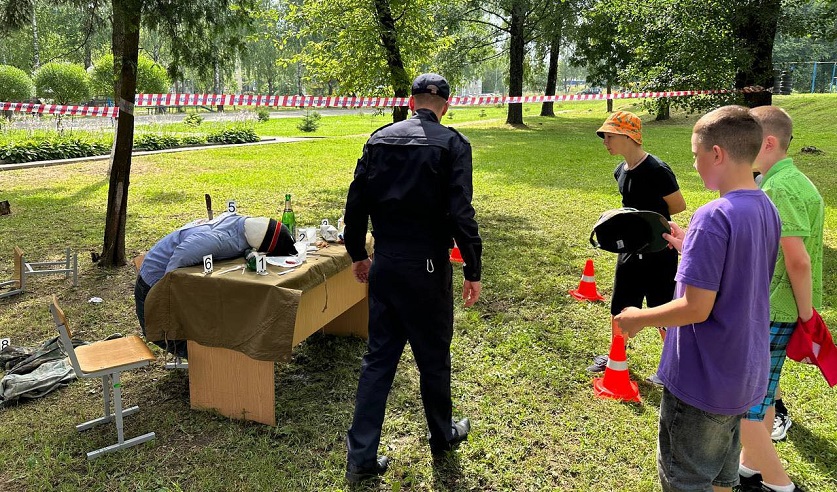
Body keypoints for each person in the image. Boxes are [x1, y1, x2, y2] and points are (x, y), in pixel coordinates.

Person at [614, 105, 781, 491]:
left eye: (695, 155)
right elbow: (740, 267)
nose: (694, 164)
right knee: (722, 476)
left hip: (702, 379)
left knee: (685, 481)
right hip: (742, 373)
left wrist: (638, 317)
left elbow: (696, 307)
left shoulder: (713, 216)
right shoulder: (766, 207)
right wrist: (692, 246)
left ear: (717, 153)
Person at [342, 73, 483, 484]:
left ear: (410, 101)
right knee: (433, 358)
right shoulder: (453, 144)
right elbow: (461, 213)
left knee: (378, 359)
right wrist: (472, 268)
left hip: (386, 263)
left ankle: (361, 458)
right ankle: (442, 436)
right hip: (427, 268)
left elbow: (355, 205)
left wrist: (358, 254)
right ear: (446, 106)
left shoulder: (378, 139)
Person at [738, 106, 823, 492]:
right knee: (765, 392)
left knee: (746, 405)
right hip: (781, 307)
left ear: (768, 143)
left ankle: (779, 484)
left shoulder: (779, 188)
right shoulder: (790, 180)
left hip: (774, 308)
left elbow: (798, 260)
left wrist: (806, 316)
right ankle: (747, 468)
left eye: (748, 141)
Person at [587, 110, 687, 385]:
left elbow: (678, 205)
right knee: (620, 305)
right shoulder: (620, 171)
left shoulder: (657, 170)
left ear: (628, 136)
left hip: (659, 251)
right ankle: (616, 355)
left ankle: (673, 368)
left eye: (609, 136)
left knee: (662, 308)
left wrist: (650, 224)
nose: (605, 142)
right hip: (630, 250)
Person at [134, 212, 296, 358]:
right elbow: (176, 266)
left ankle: (217, 363)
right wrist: (171, 297)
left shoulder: (241, 224)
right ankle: (208, 364)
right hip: (153, 282)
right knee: (165, 333)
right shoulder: (218, 239)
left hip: (172, 273)